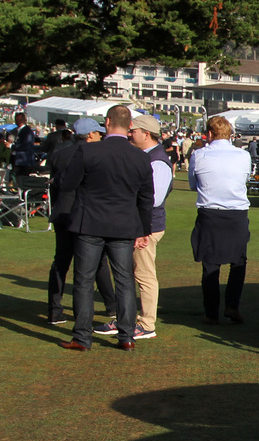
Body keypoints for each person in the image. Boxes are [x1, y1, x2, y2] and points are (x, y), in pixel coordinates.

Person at [58, 105, 152, 351]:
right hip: (123, 224)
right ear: (130, 126)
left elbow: (68, 183)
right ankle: (127, 335)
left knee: (84, 280)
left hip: (90, 222)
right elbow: (146, 198)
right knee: (124, 280)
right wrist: (144, 229)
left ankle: (82, 337)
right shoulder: (141, 156)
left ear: (107, 122)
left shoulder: (89, 151)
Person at [45, 118, 116, 325]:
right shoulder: (94, 154)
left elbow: (56, 185)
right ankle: (110, 305)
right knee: (96, 263)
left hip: (63, 212)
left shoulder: (60, 153)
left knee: (61, 262)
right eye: (98, 133)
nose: (101, 136)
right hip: (85, 213)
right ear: (90, 135)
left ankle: (54, 310)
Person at [107, 115, 172, 339]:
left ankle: (146, 323)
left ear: (146, 134)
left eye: (133, 131)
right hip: (137, 224)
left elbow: (152, 199)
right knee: (128, 273)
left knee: (144, 275)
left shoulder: (157, 162)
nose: (128, 134)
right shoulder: (147, 158)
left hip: (147, 226)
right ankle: (126, 319)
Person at [186, 115, 251, 324]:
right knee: (238, 262)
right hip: (236, 214)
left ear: (209, 134)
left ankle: (211, 312)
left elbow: (192, 184)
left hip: (210, 214)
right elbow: (245, 179)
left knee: (211, 265)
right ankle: (232, 306)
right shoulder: (243, 155)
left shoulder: (199, 155)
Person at [10, 112, 41, 177]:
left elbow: (26, 145)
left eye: (19, 119)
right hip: (16, 160)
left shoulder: (27, 131)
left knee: (21, 179)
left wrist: (11, 146)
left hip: (23, 161)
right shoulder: (16, 131)